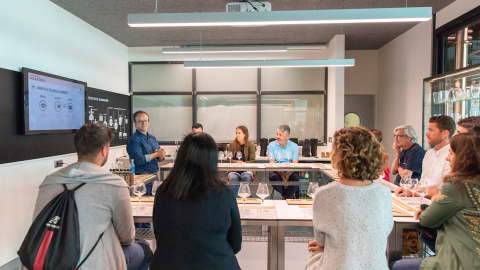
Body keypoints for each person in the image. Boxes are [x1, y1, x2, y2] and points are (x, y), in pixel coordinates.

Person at [31, 124, 151, 270]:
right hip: (91, 263)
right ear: (104, 150)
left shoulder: (49, 181)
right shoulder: (114, 184)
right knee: (143, 249)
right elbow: (126, 237)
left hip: (49, 259)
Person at [151, 132, 242, 269]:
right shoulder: (224, 193)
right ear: (212, 159)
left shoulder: (163, 192)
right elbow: (235, 243)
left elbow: (160, 235)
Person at [306, 127, 393, 270]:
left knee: (314, 255)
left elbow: (320, 242)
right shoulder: (384, 193)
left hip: (339, 266)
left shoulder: (324, 194)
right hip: (377, 266)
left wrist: (327, 247)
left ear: (339, 156)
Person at [391, 133, 480, 270]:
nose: (447, 158)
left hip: (461, 261)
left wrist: (432, 203)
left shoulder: (457, 185)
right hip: (471, 255)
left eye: (451, 153)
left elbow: (426, 220)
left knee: (396, 266)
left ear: (464, 158)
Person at [395, 115, 455, 198]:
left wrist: (413, 192)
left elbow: (444, 189)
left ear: (444, 133)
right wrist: (410, 190)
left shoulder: (452, 156)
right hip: (420, 197)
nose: (426, 134)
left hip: (437, 201)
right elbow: (423, 182)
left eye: (431, 130)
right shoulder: (428, 153)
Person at [127, 110, 166, 195]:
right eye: (140, 121)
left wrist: (161, 155)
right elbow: (139, 159)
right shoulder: (134, 140)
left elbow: (159, 158)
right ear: (135, 123)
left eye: (146, 121)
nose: (144, 123)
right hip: (142, 179)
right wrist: (156, 154)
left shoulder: (152, 138)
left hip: (154, 177)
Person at [267, 125, 300, 199]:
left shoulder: (294, 146)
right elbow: (272, 162)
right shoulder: (271, 145)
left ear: (287, 136)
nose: (277, 137)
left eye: (280, 135)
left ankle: (286, 197)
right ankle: (289, 197)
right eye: (277, 134)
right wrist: (281, 173)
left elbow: (295, 164)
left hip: (290, 170)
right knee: (275, 179)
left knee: (295, 180)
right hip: (275, 170)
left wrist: (287, 174)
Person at [227, 125, 256, 196]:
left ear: (245, 134)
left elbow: (252, 160)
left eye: (239, 133)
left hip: (247, 169)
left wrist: (244, 163)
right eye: (236, 133)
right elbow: (228, 159)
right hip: (234, 169)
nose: (237, 135)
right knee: (233, 178)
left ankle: (243, 198)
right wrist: (236, 162)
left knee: (245, 177)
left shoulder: (251, 145)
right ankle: (235, 201)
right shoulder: (231, 144)